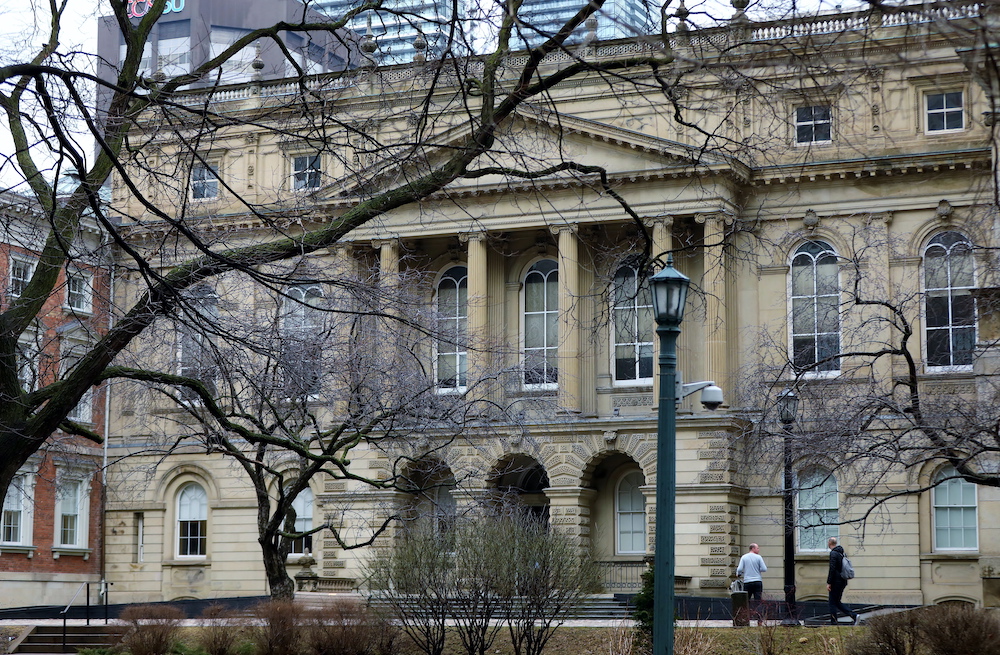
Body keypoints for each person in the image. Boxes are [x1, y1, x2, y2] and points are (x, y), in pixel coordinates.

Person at [827, 537, 859, 625]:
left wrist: (829, 582)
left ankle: (834, 623)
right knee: (837, 602)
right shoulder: (841, 553)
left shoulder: (833, 553)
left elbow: (832, 569)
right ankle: (854, 616)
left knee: (832, 603)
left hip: (835, 582)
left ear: (830, 543)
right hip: (842, 581)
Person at [736, 543, 767, 620]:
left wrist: (739, 574)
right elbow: (764, 569)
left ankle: (745, 618)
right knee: (758, 601)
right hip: (757, 581)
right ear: (753, 548)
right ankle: (759, 620)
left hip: (747, 582)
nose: (758, 550)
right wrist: (757, 570)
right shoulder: (758, 557)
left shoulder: (744, 557)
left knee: (746, 601)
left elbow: (739, 569)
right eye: (757, 548)